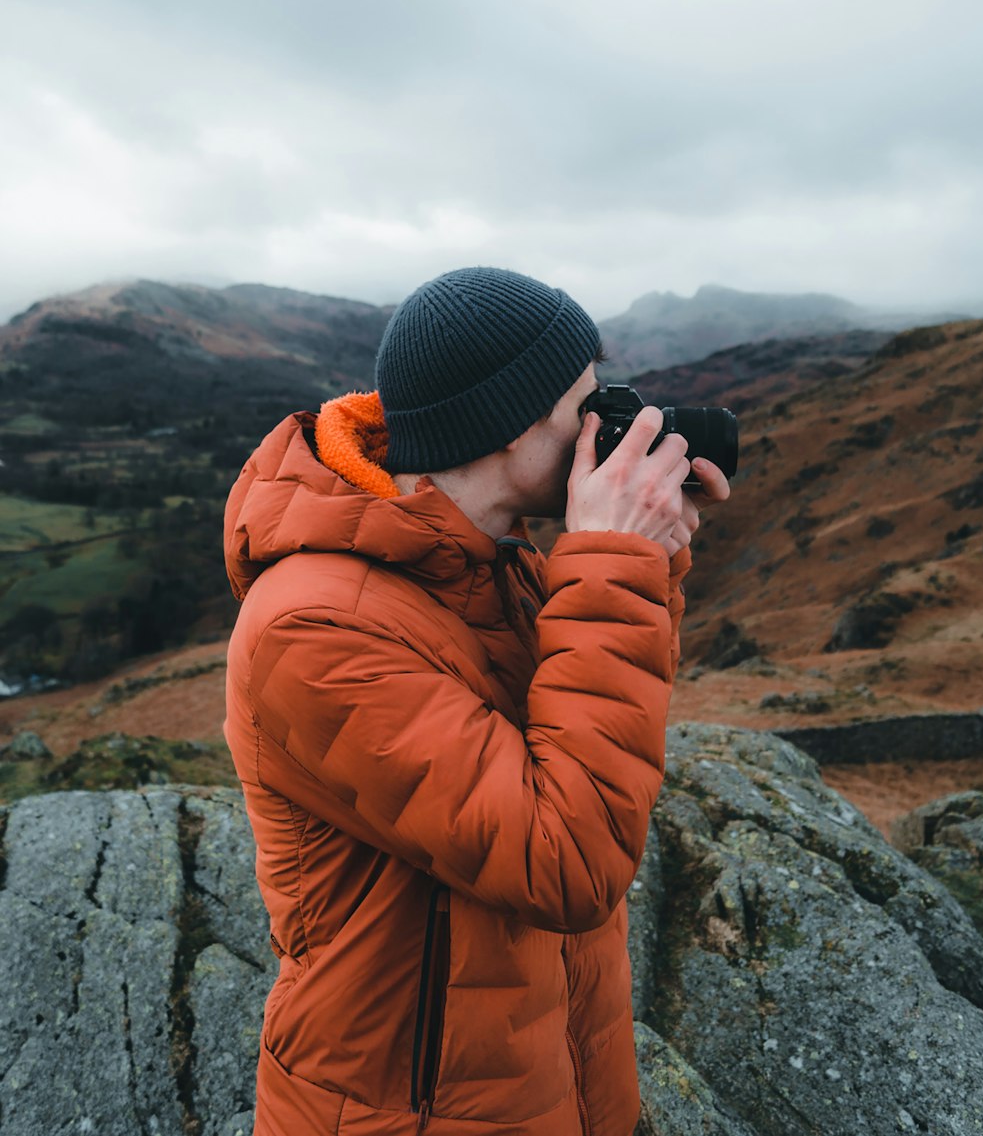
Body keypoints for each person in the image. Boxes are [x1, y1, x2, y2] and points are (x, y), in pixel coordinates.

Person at [223, 266, 730, 1136]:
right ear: (513, 422)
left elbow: (594, 738)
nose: (604, 421)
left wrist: (648, 565)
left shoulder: (496, 568)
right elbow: (566, 856)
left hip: (554, 1081)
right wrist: (612, 560)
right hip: (411, 1113)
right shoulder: (313, 628)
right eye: (586, 400)